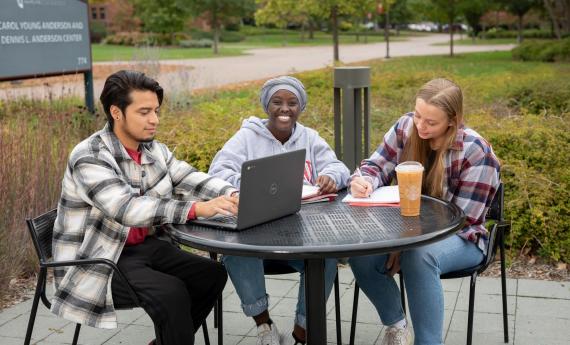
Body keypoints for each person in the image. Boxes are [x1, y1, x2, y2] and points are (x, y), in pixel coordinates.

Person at [51, 70, 240, 345]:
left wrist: (232, 193)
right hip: (98, 257)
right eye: (144, 112)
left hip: (144, 248)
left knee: (212, 275)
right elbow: (125, 209)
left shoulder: (153, 149)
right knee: (172, 293)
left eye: (156, 110)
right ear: (117, 113)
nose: (155, 119)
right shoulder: (89, 156)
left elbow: (189, 177)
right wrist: (197, 209)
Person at [348, 78, 500, 345]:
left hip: (463, 236)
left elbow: (463, 220)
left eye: (431, 122)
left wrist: (404, 245)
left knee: (419, 256)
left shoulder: (476, 153)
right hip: (406, 231)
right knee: (361, 255)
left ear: (452, 120)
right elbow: (376, 165)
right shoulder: (406, 127)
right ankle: (397, 325)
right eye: (418, 115)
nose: (420, 125)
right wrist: (364, 181)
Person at [208, 76, 350, 345]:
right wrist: (248, 184)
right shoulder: (247, 137)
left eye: (292, 103)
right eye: (277, 102)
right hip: (256, 232)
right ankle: (264, 326)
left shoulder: (309, 137)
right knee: (235, 254)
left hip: (303, 231)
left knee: (327, 258)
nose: (285, 109)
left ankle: (302, 331)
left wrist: (331, 175)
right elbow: (217, 172)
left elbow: (339, 167)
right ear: (267, 106)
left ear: (301, 107)